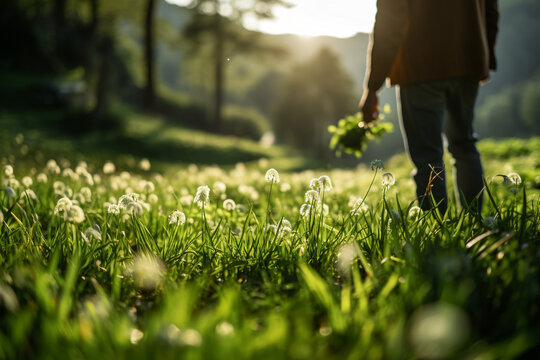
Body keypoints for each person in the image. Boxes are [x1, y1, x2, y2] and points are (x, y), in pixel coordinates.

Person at [360, 0, 499, 215]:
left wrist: (372, 87)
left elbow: (390, 19)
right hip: (469, 60)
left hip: (419, 67)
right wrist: (484, 54)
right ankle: (475, 225)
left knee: (427, 157)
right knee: (464, 145)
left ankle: (436, 233)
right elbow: (491, 9)